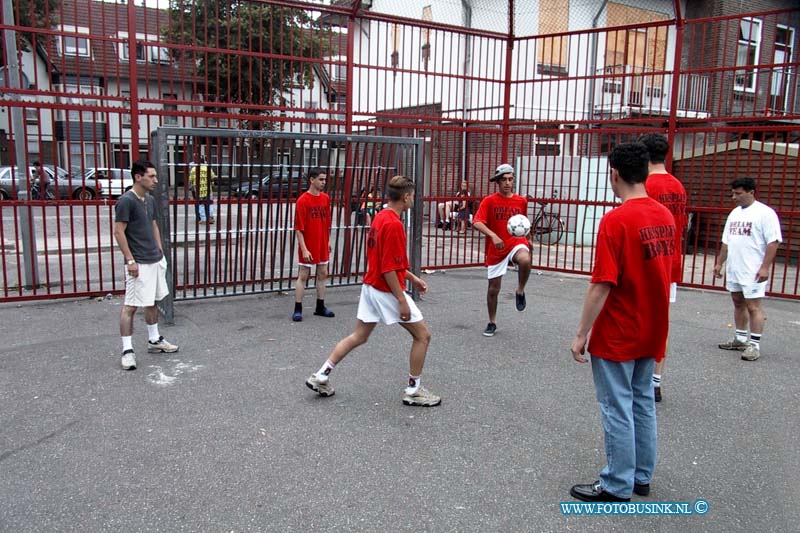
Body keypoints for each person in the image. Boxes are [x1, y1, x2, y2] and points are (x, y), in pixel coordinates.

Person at [569, 142, 675, 503]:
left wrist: (582, 333)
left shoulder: (616, 220)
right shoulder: (665, 215)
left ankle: (617, 482)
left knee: (617, 406)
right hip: (653, 324)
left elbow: (601, 283)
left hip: (620, 329)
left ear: (614, 174)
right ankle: (641, 476)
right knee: (642, 401)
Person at [305, 175, 441, 407]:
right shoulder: (394, 224)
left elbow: (386, 261)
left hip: (370, 285)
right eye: (413, 196)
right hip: (384, 288)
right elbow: (389, 268)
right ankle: (414, 389)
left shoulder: (380, 216)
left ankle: (321, 375)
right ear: (406, 196)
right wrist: (402, 299)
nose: (413, 200)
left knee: (359, 335)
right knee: (422, 336)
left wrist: (413, 278)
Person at [113, 160, 178, 370]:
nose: (156, 180)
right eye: (151, 176)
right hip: (138, 262)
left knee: (153, 301)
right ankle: (127, 351)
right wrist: (130, 260)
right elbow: (118, 231)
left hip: (154, 260)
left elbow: (153, 224)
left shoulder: (149, 200)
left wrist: (160, 253)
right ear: (138, 177)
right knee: (131, 306)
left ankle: (154, 340)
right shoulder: (126, 201)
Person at [713, 177, 782, 361]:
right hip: (736, 267)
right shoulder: (734, 214)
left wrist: (765, 267)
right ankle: (740, 338)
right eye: (733, 193)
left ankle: (755, 344)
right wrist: (720, 263)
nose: (734, 197)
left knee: (753, 306)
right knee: (737, 301)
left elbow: (773, 242)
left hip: (752, 268)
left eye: (738, 193)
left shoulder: (764, 213)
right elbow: (726, 242)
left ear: (751, 192)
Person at [640, 133, 687, 402]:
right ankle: (655, 379)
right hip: (671, 260)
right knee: (661, 321)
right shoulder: (677, 185)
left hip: (649, 260)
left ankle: (641, 377)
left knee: (640, 318)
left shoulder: (647, 185)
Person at [472, 163, 532, 337]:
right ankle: (492, 322)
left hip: (516, 242)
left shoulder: (521, 201)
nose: (507, 183)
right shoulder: (489, 201)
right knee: (493, 289)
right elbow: (477, 222)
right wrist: (493, 236)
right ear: (498, 182)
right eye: (504, 179)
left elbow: (524, 223)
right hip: (497, 248)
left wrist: (529, 240)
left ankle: (520, 289)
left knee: (525, 260)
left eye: (510, 179)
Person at [293, 167, 335, 322]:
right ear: (312, 180)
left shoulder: (325, 198)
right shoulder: (303, 200)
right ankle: (298, 308)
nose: (324, 182)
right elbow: (298, 228)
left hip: (322, 242)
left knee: (323, 273)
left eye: (325, 179)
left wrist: (328, 240)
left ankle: (320, 306)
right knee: (303, 274)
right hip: (309, 243)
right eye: (321, 179)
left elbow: (327, 223)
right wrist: (304, 248)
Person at [190, 157, 216, 224]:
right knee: (210, 203)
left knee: (200, 204)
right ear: (204, 162)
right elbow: (213, 177)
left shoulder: (194, 169)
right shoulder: (208, 168)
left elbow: (190, 179)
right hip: (208, 189)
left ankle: (203, 218)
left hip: (198, 189)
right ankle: (210, 217)